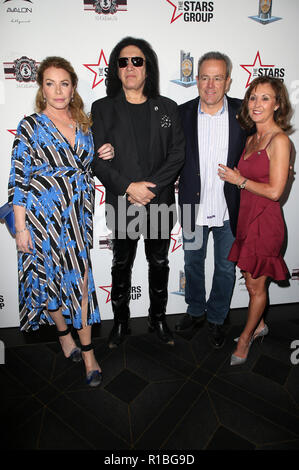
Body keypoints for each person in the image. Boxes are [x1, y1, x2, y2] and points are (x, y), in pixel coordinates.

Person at [8, 56, 114, 387]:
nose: (58, 90)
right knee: (48, 280)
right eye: (50, 83)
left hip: (77, 216)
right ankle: (64, 335)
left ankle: (87, 353)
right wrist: (21, 228)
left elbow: (86, 164)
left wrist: (103, 151)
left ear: (73, 88)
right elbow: (18, 180)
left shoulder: (85, 124)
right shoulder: (31, 126)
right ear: (42, 88)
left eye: (64, 83)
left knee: (80, 284)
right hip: (42, 218)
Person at [91, 37, 185, 349]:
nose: (130, 67)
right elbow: (95, 159)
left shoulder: (168, 107)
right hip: (123, 201)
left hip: (158, 201)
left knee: (159, 263)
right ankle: (120, 322)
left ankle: (158, 318)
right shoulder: (102, 108)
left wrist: (150, 188)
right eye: (123, 61)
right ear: (116, 69)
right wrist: (129, 187)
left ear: (148, 68)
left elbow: (177, 154)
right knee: (121, 263)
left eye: (137, 61)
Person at [218, 76, 291, 365]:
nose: (257, 104)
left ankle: (247, 337)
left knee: (257, 287)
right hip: (246, 220)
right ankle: (259, 324)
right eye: (253, 97)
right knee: (250, 285)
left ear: (277, 104)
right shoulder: (250, 138)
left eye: (265, 98)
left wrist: (241, 180)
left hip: (266, 223)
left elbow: (274, 192)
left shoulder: (280, 140)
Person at [176, 51, 247, 348]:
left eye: (218, 78)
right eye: (205, 77)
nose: (210, 85)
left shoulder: (245, 113)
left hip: (230, 210)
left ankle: (217, 318)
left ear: (228, 81)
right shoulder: (181, 113)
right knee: (192, 264)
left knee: (226, 268)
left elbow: (265, 145)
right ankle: (195, 311)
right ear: (196, 80)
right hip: (194, 209)